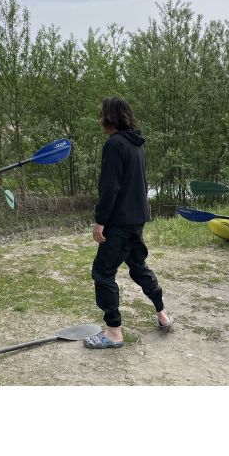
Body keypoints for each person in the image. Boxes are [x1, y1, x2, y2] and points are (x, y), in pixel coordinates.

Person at [84, 97, 174, 350]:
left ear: (109, 117)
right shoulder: (136, 144)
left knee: (103, 273)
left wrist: (100, 221)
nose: (99, 119)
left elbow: (110, 187)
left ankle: (113, 332)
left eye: (101, 114)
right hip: (136, 218)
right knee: (137, 265)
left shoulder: (114, 145)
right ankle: (163, 314)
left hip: (119, 221)